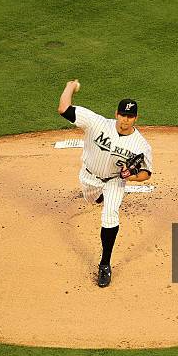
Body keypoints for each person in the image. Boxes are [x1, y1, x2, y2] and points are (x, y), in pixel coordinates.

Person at [57, 79, 153, 287]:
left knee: (110, 215)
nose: (125, 120)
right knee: (92, 199)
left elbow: (146, 173)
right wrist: (70, 86)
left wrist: (131, 177)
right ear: (116, 113)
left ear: (135, 118)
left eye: (130, 116)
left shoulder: (141, 145)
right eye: (122, 115)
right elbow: (64, 108)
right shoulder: (97, 123)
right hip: (89, 176)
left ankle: (105, 264)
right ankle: (98, 196)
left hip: (114, 181)